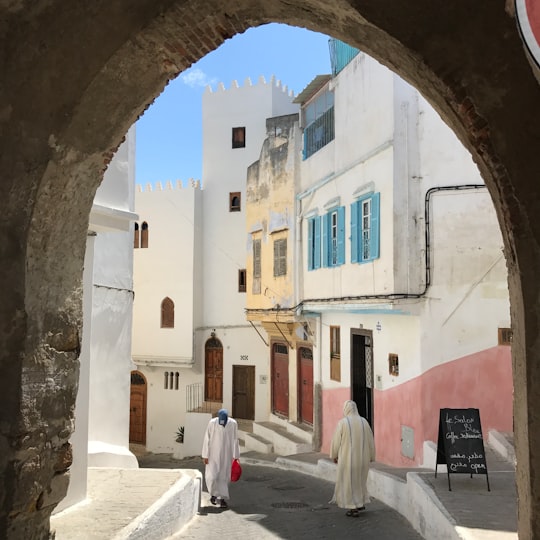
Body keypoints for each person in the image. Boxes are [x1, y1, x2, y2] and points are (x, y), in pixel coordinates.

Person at [329, 400, 375, 517]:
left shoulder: (343, 423)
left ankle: (352, 507)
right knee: (360, 481)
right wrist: (371, 456)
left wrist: (334, 455)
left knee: (349, 482)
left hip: (348, 460)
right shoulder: (364, 422)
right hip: (363, 460)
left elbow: (336, 442)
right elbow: (370, 440)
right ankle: (360, 503)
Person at [201, 408, 240, 508]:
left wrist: (236, 456)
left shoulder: (233, 423)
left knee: (224, 476)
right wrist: (205, 455)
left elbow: (235, 439)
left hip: (227, 454)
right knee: (212, 476)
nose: (222, 423)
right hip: (213, 454)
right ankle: (213, 495)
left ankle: (222, 499)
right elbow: (207, 439)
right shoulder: (212, 423)